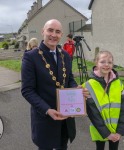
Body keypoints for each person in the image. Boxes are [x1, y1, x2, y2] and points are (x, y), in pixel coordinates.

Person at [21, 19, 89, 150]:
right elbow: (27, 90)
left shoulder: (65, 55)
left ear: (61, 34)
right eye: (50, 30)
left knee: (63, 146)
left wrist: (76, 90)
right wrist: (47, 110)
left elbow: (69, 79)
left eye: (57, 32)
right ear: (43, 32)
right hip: (44, 118)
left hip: (65, 117)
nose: (53, 34)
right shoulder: (30, 57)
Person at [82, 51, 124, 150]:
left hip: (116, 130)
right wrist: (106, 133)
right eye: (102, 62)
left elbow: (123, 110)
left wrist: (120, 130)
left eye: (109, 62)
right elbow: (92, 113)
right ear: (96, 63)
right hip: (99, 129)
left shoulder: (118, 84)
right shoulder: (88, 86)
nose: (106, 65)